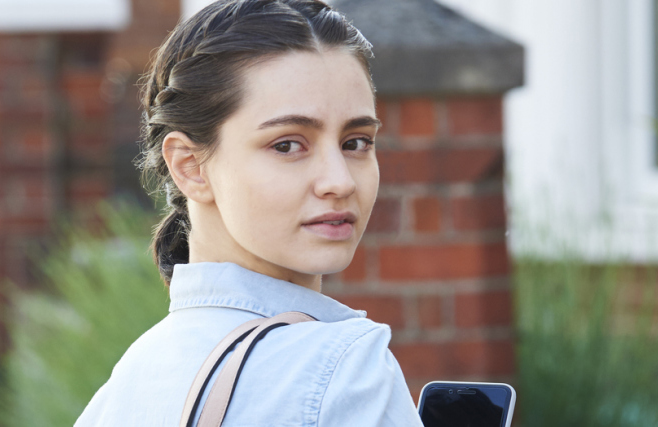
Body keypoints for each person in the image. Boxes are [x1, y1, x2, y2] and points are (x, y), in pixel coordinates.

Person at [75, 0, 421, 425]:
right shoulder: (345, 370)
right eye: (287, 145)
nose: (340, 181)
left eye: (356, 142)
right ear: (190, 166)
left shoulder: (126, 387)